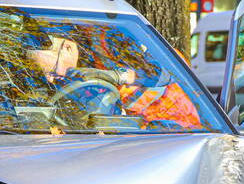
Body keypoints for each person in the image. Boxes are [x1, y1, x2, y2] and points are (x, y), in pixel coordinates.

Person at [24, 35, 202, 129]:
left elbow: (170, 71)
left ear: (68, 48)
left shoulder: (110, 40)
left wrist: (116, 76)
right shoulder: (72, 74)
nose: (50, 79)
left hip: (176, 129)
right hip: (129, 135)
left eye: (52, 71)